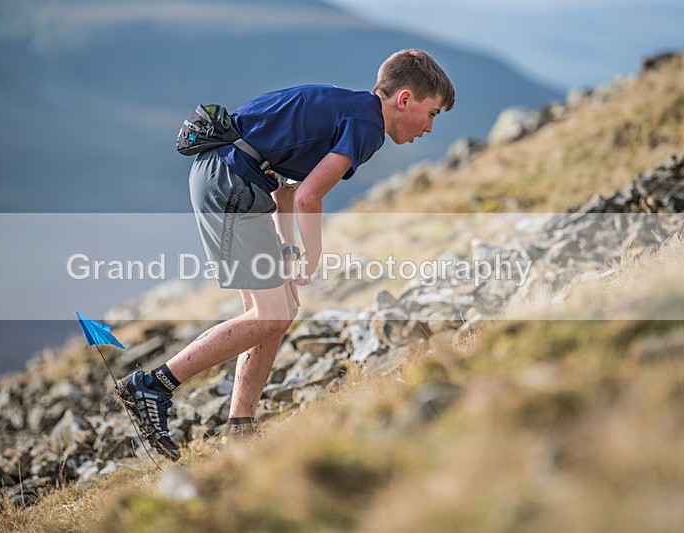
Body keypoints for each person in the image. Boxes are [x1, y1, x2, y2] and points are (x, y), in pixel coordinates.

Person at [116, 49, 455, 461]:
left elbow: (287, 186)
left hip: (229, 178)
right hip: (231, 183)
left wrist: (289, 248)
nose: (431, 128)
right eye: (433, 113)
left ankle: (241, 426)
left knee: (277, 310)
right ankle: (152, 385)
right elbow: (312, 197)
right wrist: (313, 255)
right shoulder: (367, 125)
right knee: (270, 313)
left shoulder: (346, 108)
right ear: (404, 99)